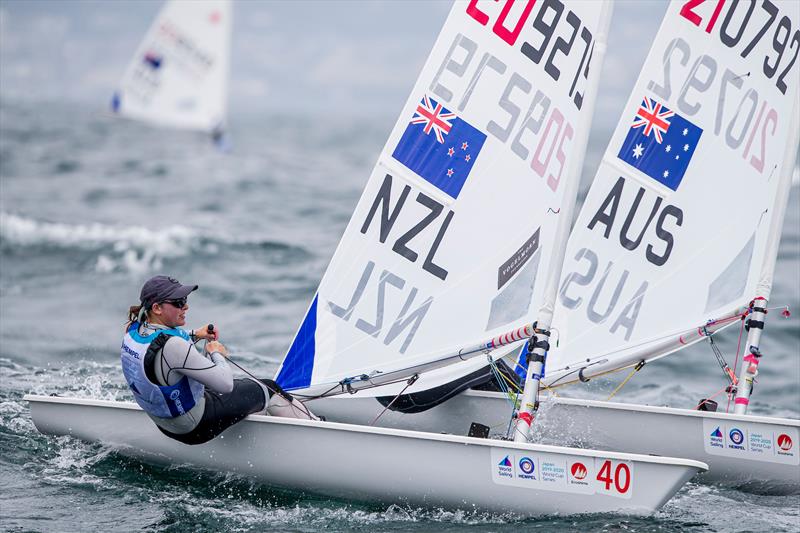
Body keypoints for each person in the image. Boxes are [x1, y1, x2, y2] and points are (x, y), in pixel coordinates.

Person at [121, 275, 318, 445]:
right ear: (157, 308)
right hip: (195, 427)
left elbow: (159, 347)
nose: (186, 306)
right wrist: (217, 353)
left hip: (164, 423)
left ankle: (264, 421)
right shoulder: (174, 347)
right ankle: (317, 427)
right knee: (268, 388)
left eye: (185, 299)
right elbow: (225, 385)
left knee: (222, 389)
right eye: (178, 302)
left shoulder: (134, 330)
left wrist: (195, 334)